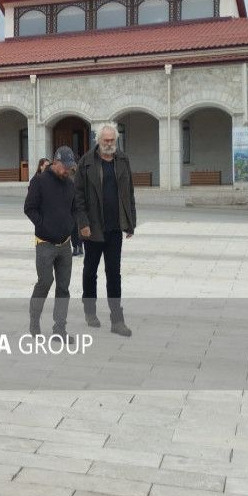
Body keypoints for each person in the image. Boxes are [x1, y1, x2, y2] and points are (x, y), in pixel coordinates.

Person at [73, 122, 136, 336]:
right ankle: (90, 311)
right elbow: (78, 196)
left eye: (112, 140)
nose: (110, 144)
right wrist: (83, 223)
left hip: (115, 227)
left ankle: (117, 320)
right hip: (93, 228)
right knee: (90, 272)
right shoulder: (86, 162)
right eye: (106, 141)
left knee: (114, 274)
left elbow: (129, 192)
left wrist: (130, 222)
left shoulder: (123, 160)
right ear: (98, 141)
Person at [24, 147, 78, 338]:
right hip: (45, 243)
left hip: (65, 245)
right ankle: (34, 319)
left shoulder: (70, 185)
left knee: (63, 287)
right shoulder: (39, 182)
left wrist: (71, 225)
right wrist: (43, 226)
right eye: (65, 167)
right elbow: (29, 208)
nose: (68, 170)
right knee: (45, 282)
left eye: (71, 167)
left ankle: (59, 329)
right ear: (55, 162)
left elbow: (75, 209)